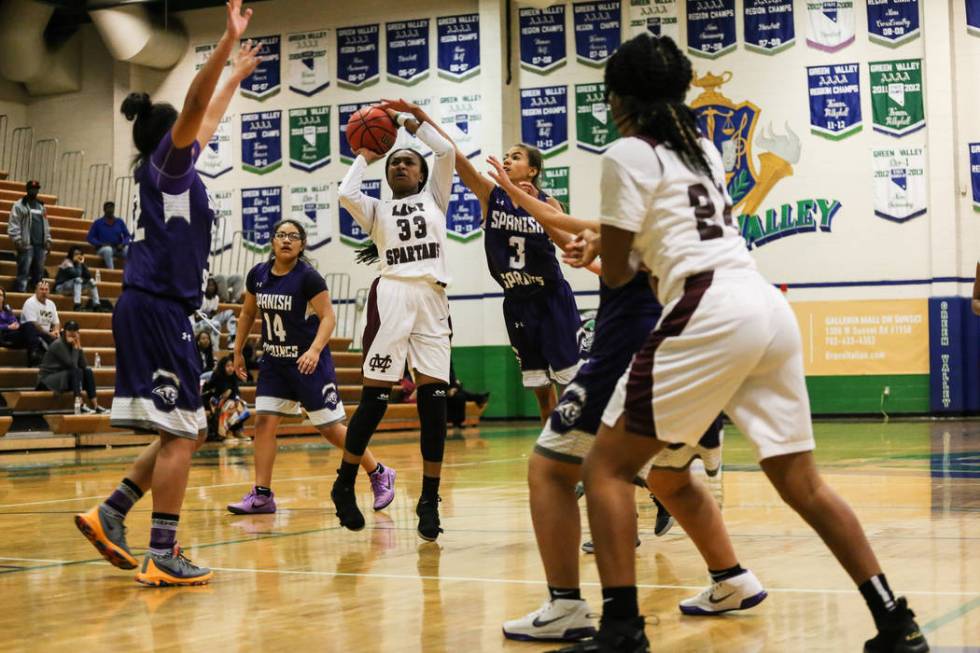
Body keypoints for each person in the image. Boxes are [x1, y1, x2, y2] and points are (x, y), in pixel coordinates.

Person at [551, 35, 928, 653]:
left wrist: (601, 247)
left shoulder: (623, 153)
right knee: (801, 479)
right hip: (764, 303)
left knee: (606, 466)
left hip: (708, 306)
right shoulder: (699, 146)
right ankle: (896, 621)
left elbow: (621, 273)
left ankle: (621, 629)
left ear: (615, 97)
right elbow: (671, 235)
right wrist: (616, 244)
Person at [482, 158, 749, 645]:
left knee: (552, 469)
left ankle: (569, 604)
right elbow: (606, 254)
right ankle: (731, 577)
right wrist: (590, 249)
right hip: (686, 353)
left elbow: (565, 224)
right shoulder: (687, 221)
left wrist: (514, 193)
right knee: (669, 477)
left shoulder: (645, 208)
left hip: (629, 351)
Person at [73, 6, 259, 587]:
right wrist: (225, 43)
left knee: (185, 428)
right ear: (168, 138)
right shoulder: (167, 167)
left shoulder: (172, 171)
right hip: (157, 305)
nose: (194, 134)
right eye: (184, 128)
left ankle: (110, 512)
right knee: (184, 431)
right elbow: (197, 110)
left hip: (150, 303)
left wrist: (233, 77)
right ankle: (162, 553)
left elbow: (206, 117)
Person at [330, 98, 455, 541]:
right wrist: (366, 153)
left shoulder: (436, 197)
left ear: (421, 174)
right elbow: (346, 193)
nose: (400, 167)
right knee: (375, 400)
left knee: (434, 401)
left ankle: (428, 498)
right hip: (393, 296)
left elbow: (446, 152)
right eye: (394, 163)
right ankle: (344, 483)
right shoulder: (377, 209)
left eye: (407, 163)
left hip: (433, 302)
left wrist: (405, 123)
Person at [227, 218, 395, 514]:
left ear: (302, 244)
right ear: (273, 242)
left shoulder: (308, 278)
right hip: (275, 364)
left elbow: (328, 317)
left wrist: (315, 350)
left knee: (331, 429)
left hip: (307, 365)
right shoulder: (258, 275)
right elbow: (247, 314)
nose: (287, 240)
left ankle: (378, 472)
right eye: (281, 235)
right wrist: (237, 351)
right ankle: (262, 495)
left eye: (293, 236)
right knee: (264, 422)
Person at [449, 140, 583, 422]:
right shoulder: (491, 195)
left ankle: (579, 447)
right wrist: (421, 122)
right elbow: (459, 160)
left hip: (551, 297)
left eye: (516, 157)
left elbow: (568, 243)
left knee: (570, 386)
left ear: (532, 170)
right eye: (506, 156)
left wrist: (542, 214)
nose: (507, 160)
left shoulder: (547, 202)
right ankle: (553, 452)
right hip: (517, 302)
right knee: (542, 392)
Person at [36, 320, 106, 414]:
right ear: (64, 331)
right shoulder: (58, 344)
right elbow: (72, 365)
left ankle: (96, 405)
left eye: (75, 330)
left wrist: (79, 346)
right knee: (76, 371)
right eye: (69, 330)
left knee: (88, 371)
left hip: (63, 377)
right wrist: (75, 349)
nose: (72, 333)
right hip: (47, 380)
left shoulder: (74, 343)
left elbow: (84, 365)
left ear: (78, 332)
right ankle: (79, 404)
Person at [7, 180, 51, 292]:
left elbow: (45, 225)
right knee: (23, 273)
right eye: (32, 189)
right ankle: (20, 295)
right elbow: (13, 224)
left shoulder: (42, 207)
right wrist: (18, 241)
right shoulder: (19, 205)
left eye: (36, 189)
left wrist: (48, 240)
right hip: (26, 245)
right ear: (27, 190)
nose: (34, 191)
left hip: (40, 246)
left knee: (39, 274)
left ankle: (36, 297)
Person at [203, 355, 250, 441]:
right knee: (231, 405)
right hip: (214, 400)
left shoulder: (233, 376)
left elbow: (236, 391)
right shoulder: (217, 375)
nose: (231, 368)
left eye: (232, 366)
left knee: (243, 405)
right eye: (228, 366)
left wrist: (237, 400)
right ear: (222, 367)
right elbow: (223, 393)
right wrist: (233, 399)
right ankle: (225, 433)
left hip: (227, 400)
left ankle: (237, 431)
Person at [0, 287, 41, 365]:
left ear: (4, 298)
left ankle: (34, 355)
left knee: (30, 324)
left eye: (1, 295)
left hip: (14, 333)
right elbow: (9, 326)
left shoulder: (7, 309)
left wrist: (16, 324)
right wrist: (7, 327)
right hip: (3, 336)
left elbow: (14, 321)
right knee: (33, 337)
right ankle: (34, 357)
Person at [55, 245, 102, 312]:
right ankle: (77, 305)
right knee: (78, 279)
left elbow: (88, 276)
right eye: (76, 254)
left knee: (92, 281)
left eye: (79, 254)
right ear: (71, 254)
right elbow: (77, 274)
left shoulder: (79, 263)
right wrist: (80, 264)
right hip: (61, 288)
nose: (78, 256)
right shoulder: (66, 262)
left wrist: (83, 264)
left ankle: (96, 305)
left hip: (73, 288)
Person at [86, 201, 132, 270]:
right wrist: (101, 244)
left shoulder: (119, 221)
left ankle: (129, 272)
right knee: (108, 250)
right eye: (108, 208)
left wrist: (123, 244)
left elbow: (127, 236)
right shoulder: (98, 222)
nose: (110, 210)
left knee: (128, 250)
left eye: (112, 208)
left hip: (117, 248)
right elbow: (90, 237)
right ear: (104, 209)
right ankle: (111, 272)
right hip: (103, 249)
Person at [20, 280, 60, 354]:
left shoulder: (51, 304)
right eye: (41, 289)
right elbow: (34, 325)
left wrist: (56, 331)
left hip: (47, 334)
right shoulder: (30, 302)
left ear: (49, 291)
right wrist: (49, 334)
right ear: (36, 291)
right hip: (33, 334)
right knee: (31, 327)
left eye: (46, 289)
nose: (44, 292)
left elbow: (56, 323)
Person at [193, 277, 236, 341]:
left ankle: (232, 339)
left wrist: (208, 315)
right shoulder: (201, 297)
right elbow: (197, 317)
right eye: (209, 285)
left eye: (213, 285)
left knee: (230, 312)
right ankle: (215, 348)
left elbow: (214, 313)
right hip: (198, 323)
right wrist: (209, 316)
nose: (211, 287)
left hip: (209, 320)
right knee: (216, 324)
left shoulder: (216, 298)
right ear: (205, 287)